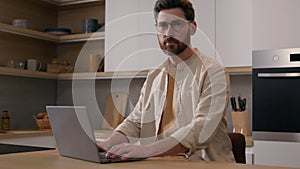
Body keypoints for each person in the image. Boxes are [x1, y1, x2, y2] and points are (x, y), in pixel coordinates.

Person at [97, 0, 235, 162]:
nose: (168, 32)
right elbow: (136, 122)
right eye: (162, 26)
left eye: (176, 24)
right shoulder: (154, 76)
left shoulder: (213, 71)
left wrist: (145, 150)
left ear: (192, 27)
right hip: (161, 163)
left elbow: (201, 128)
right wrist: (107, 144)